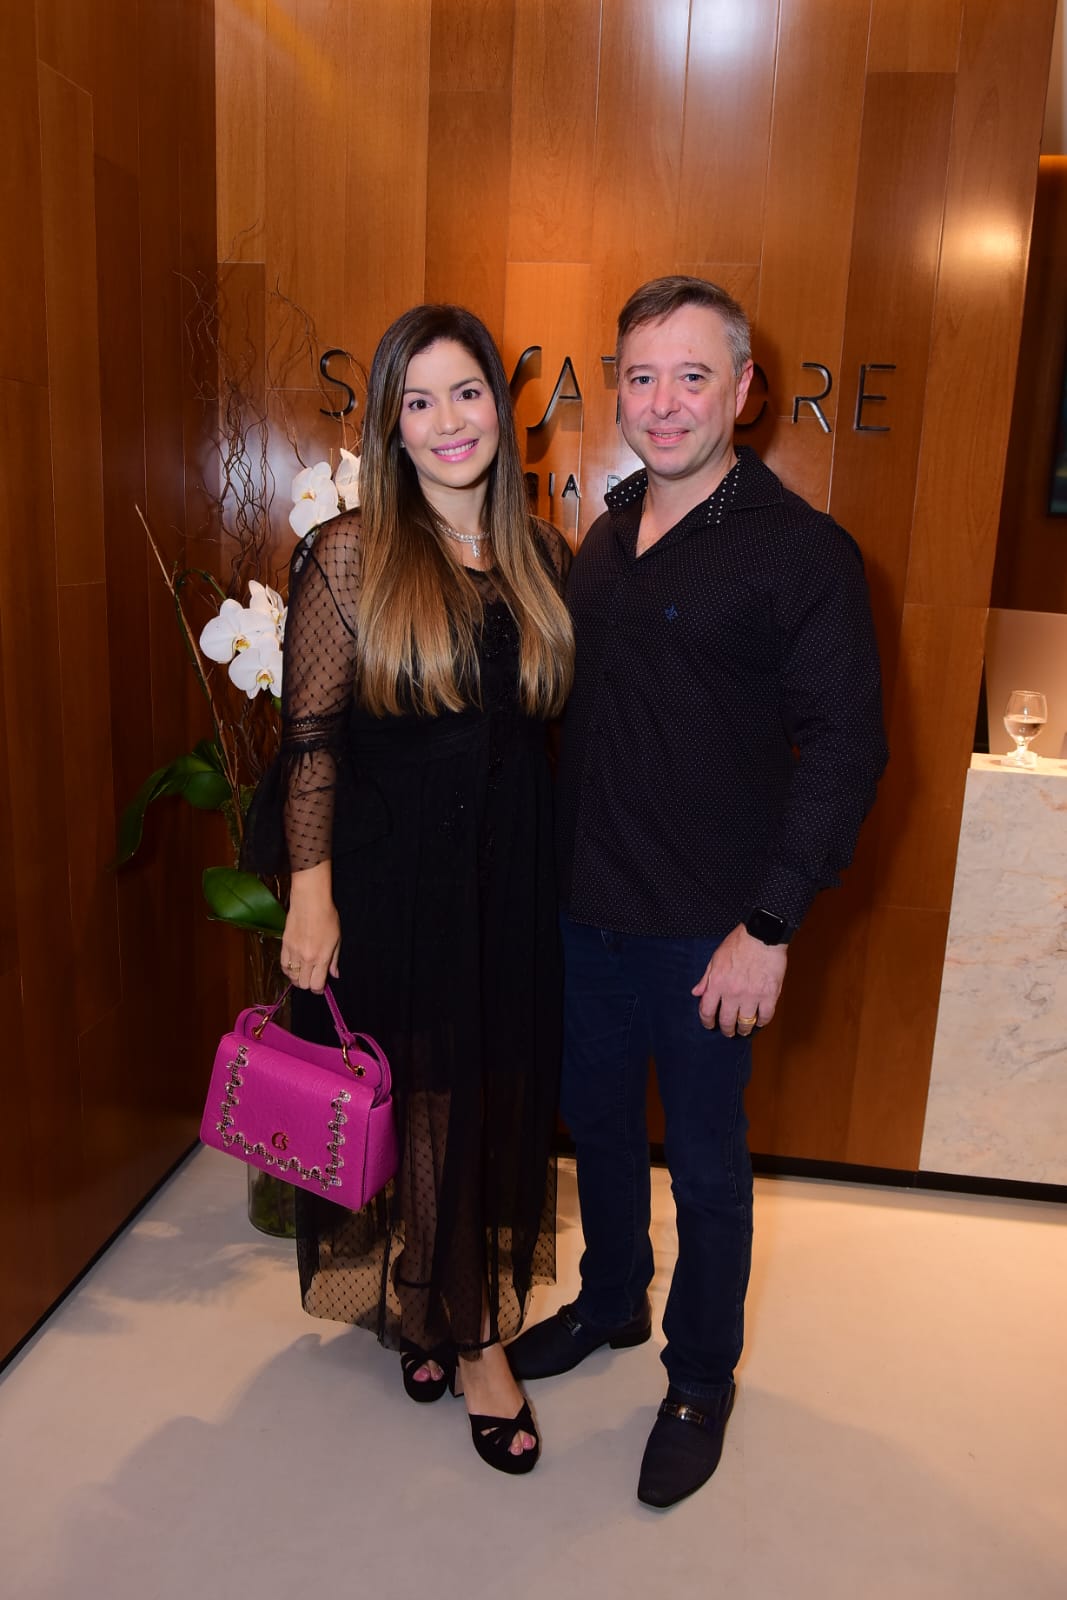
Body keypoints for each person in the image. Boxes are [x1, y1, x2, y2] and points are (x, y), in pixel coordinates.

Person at [506, 276, 888, 1507]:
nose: (660, 402)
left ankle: (697, 1378)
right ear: (616, 389)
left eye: (689, 375)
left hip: (707, 934)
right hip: (584, 914)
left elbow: (845, 749)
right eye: (639, 375)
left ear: (742, 390)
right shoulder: (604, 536)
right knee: (599, 1131)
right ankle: (611, 1299)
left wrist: (767, 926)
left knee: (709, 1169)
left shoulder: (800, 553)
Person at [245, 304, 575, 1475]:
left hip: (507, 877)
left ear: (499, 405)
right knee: (424, 1092)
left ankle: (427, 1291)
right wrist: (310, 896)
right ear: (389, 424)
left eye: (466, 392)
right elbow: (312, 742)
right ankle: (474, 1336)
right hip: (392, 882)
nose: (446, 421)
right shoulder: (348, 552)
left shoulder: (542, 557)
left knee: (479, 1094)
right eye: (418, 401)